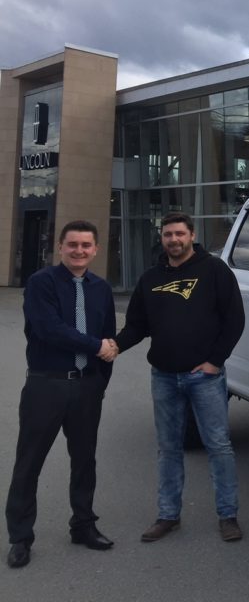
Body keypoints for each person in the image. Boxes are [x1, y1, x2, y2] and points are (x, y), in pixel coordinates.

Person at [113, 212, 245, 543]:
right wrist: (113, 345)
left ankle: (228, 515)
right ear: (162, 238)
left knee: (218, 445)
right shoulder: (150, 278)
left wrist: (216, 361)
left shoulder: (215, 270)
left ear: (192, 235)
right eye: (168, 234)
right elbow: (137, 326)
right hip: (164, 377)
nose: (174, 240)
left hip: (205, 378)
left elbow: (235, 319)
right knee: (168, 448)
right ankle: (168, 515)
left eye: (179, 234)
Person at [5, 220, 118, 569]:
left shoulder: (101, 288)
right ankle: (20, 538)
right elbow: (49, 329)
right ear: (60, 247)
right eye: (73, 245)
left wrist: (100, 381)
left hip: (86, 387)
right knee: (29, 463)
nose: (79, 250)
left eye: (86, 245)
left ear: (96, 249)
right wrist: (97, 346)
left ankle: (83, 525)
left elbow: (108, 337)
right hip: (46, 384)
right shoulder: (42, 283)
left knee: (85, 461)